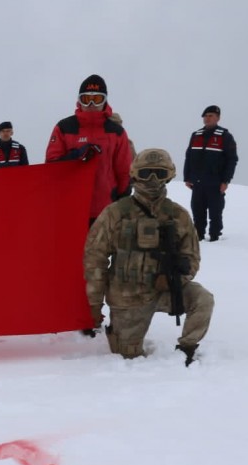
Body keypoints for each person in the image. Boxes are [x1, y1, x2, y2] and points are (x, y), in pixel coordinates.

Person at [84, 148, 213, 366]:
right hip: (127, 298)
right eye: (146, 173)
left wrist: (175, 279)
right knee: (128, 357)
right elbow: (94, 260)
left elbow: (192, 258)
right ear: (135, 174)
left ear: (169, 176)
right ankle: (119, 333)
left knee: (202, 299)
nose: (153, 180)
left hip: (165, 291)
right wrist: (93, 308)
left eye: (159, 173)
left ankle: (187, 348)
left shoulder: (178, 215)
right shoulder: (115, 213)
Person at [46, 74, 134, 222]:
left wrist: (122, 201)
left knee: (104, 246)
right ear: (79, 101)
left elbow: (124, 170)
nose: (91, 103)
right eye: (86, 99)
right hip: (72, 207)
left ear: (105, 101)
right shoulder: (65, 127)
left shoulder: (116, 131)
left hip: (106, 210)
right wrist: (75, 156)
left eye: (97, 99)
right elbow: (51, 166)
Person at [182, 105, 239, 242]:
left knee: (215, 212)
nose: (207, 118)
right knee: (197, 210)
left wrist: (226, 180)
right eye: (206, 116)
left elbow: (232, 160)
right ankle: (199, 236)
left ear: (218, 118)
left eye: (211, 116)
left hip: (215, 182)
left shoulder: (225, 136)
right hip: (197, 181)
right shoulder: (196, 135)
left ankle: (215, 237)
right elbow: (188, 157)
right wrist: (187, 177)